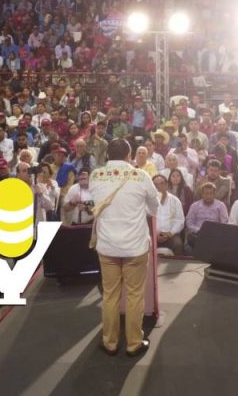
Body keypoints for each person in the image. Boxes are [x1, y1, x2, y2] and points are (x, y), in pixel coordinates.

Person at [88, 139, 159, 357]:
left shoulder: (95, 176)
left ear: (108, 154)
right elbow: (154, 207)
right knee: (135, 295)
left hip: (107, 246)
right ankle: (134, 343)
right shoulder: (141, 176)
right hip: (135, 246)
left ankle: (110, 342)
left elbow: (96, 200)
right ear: (129, 155)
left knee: (109, 295)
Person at [184, 182, 229, 252]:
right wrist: (199, 230)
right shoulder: (195, 206)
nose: (208, 196)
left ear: (214, 194)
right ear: (202, 194)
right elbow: (189, 222)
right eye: (206, 193)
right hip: (198, 234)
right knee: (190, 243)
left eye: (211, 193)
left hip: (215, 235)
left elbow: (224, 223)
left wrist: (214, 232)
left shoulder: (221, 206)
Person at [152, 175, 185, 256]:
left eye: (162, 183)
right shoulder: (148, 201)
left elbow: (180, 220)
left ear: (167, 185)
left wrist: (171, 233)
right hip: (152, 235)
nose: (159, 186)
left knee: (178, 245)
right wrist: (155, 235)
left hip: (170, 235)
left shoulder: (175, 200)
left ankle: (176, 265)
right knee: (143, 244)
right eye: (156, 184)